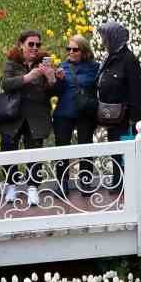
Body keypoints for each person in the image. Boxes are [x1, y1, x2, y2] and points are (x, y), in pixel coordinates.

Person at [0, 30, 61, 204]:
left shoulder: (44, 63)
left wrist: (51, 79)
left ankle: (33, 187)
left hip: (36, 114)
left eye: (37, 44)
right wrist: (27, 77)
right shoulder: (12, 62)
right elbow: (6, 84)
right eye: (30, 44)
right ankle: (11, 185)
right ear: (21, 44)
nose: (34, 47)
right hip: (13, 114)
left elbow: (54, 93)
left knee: (35, 150)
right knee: (8, 147)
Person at [96, 21, 141, 192]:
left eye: (105, 37)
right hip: (112, 116)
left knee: (126, 152)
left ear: (114, 37)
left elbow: (136, 91)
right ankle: (118, 181)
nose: (103, 41)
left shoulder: (129, 60)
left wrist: (135, 119)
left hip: (125, 117)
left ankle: (127, 184)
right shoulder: (111, 57)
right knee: (116, 150)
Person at [53, 34, 101, 193]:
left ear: (84, 51)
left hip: (84, 112)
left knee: (85, 147)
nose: (71, 52)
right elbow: (57, 92)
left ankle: (86, 181)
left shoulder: (94, 67)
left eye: (75, 49)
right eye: (69, 49)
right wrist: (58, 80)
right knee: (61, 148)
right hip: (64, 112)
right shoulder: (62, 66)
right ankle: (62, 183)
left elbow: (98, 88)